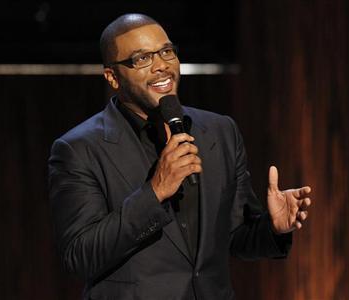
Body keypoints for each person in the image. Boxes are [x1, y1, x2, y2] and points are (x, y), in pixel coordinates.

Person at [48, 13, 312, 300]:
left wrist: (272, 227)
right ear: (113, 77)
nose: (161, 66)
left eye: (166, 51)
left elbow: (234, 237)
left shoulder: (219, 131)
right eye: (142, 59)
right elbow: (79, 256)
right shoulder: (79, 149)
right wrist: (154, 192)